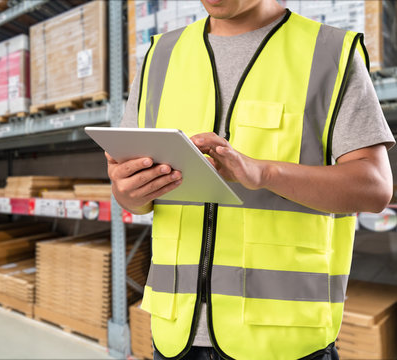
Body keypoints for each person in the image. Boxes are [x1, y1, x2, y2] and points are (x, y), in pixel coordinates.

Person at [107, 0, 394, 359]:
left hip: (283, 339)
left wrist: (263, 173)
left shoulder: (330, 52)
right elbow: (132, 197)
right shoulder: (159, 57)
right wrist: (128, 190)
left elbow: (375, 188)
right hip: (175, 336)